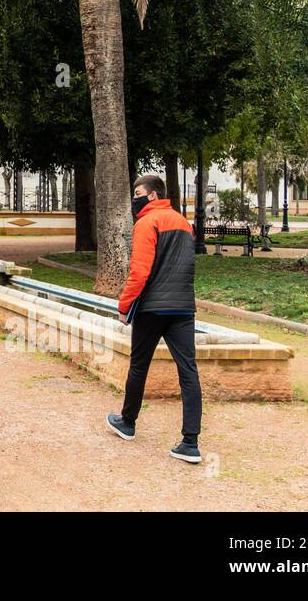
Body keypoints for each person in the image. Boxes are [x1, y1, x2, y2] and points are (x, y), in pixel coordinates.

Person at [107, 174, 203, 463]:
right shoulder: (184, 224)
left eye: (138, 192)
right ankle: (190, 442)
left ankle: (128, 422)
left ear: (151, 196)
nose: (134, 198)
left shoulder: (147, 223)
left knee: (139, 366)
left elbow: (140, 271)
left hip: (152, 308)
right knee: (188, 371)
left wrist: (124, 306)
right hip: (183, 307)